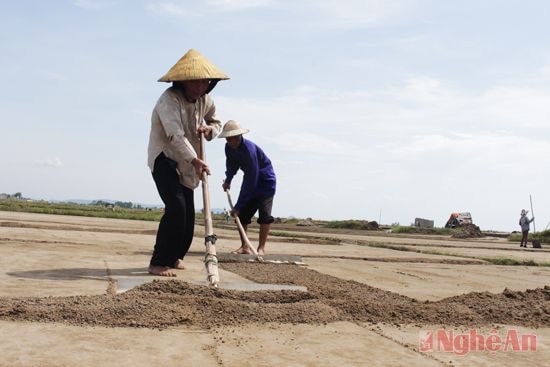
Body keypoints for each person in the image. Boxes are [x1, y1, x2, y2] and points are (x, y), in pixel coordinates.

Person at [147, 49, 229, 276]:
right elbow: (175, 136)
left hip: (188, 164)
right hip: (164, 158)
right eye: (194, 83)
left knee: (188, 216)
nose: (199, 88)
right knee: (176, 208)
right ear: (182, 82)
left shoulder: (206, 100)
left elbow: (216, 123)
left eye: (204, 83)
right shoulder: (168, 100)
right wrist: (195, 160)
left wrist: (209, 129)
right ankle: (158, 261)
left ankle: (175, 256)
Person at [219, 120, 276, 256]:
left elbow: (251, 180)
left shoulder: (249, 150)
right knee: (242, 217)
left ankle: (261, 248)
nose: (230, 142)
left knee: (264, 216)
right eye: (228, 139)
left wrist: (238, 206)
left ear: (239, 137)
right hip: (251, 178)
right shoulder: (228, 148)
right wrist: (228, 180)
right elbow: (231, 165)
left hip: (265, 181)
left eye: (232, 139)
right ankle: (245, 246)